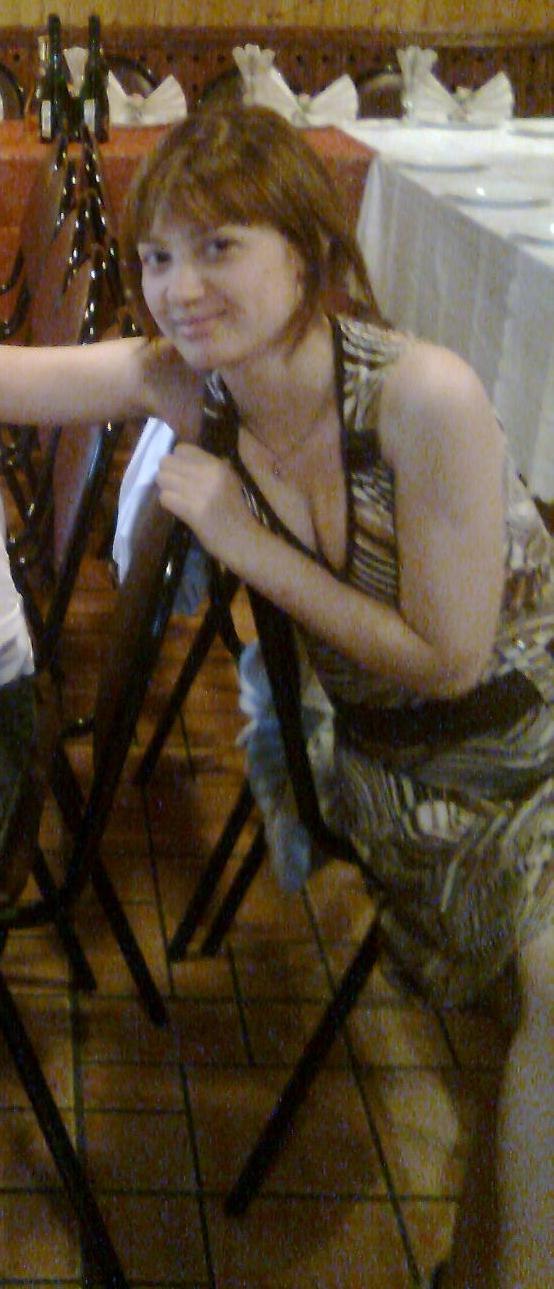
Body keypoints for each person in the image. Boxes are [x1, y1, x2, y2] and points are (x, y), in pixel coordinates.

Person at [116, 105, 552, 1289]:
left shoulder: (421, 393)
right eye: (157, 255)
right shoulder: (201, 384)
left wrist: (240, 542)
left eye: (217, 246)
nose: (177, 287)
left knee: (534, 1014)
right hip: (392, 765)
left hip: (519, 732)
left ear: (306, 250)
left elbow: (455, 662)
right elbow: (26, 379)